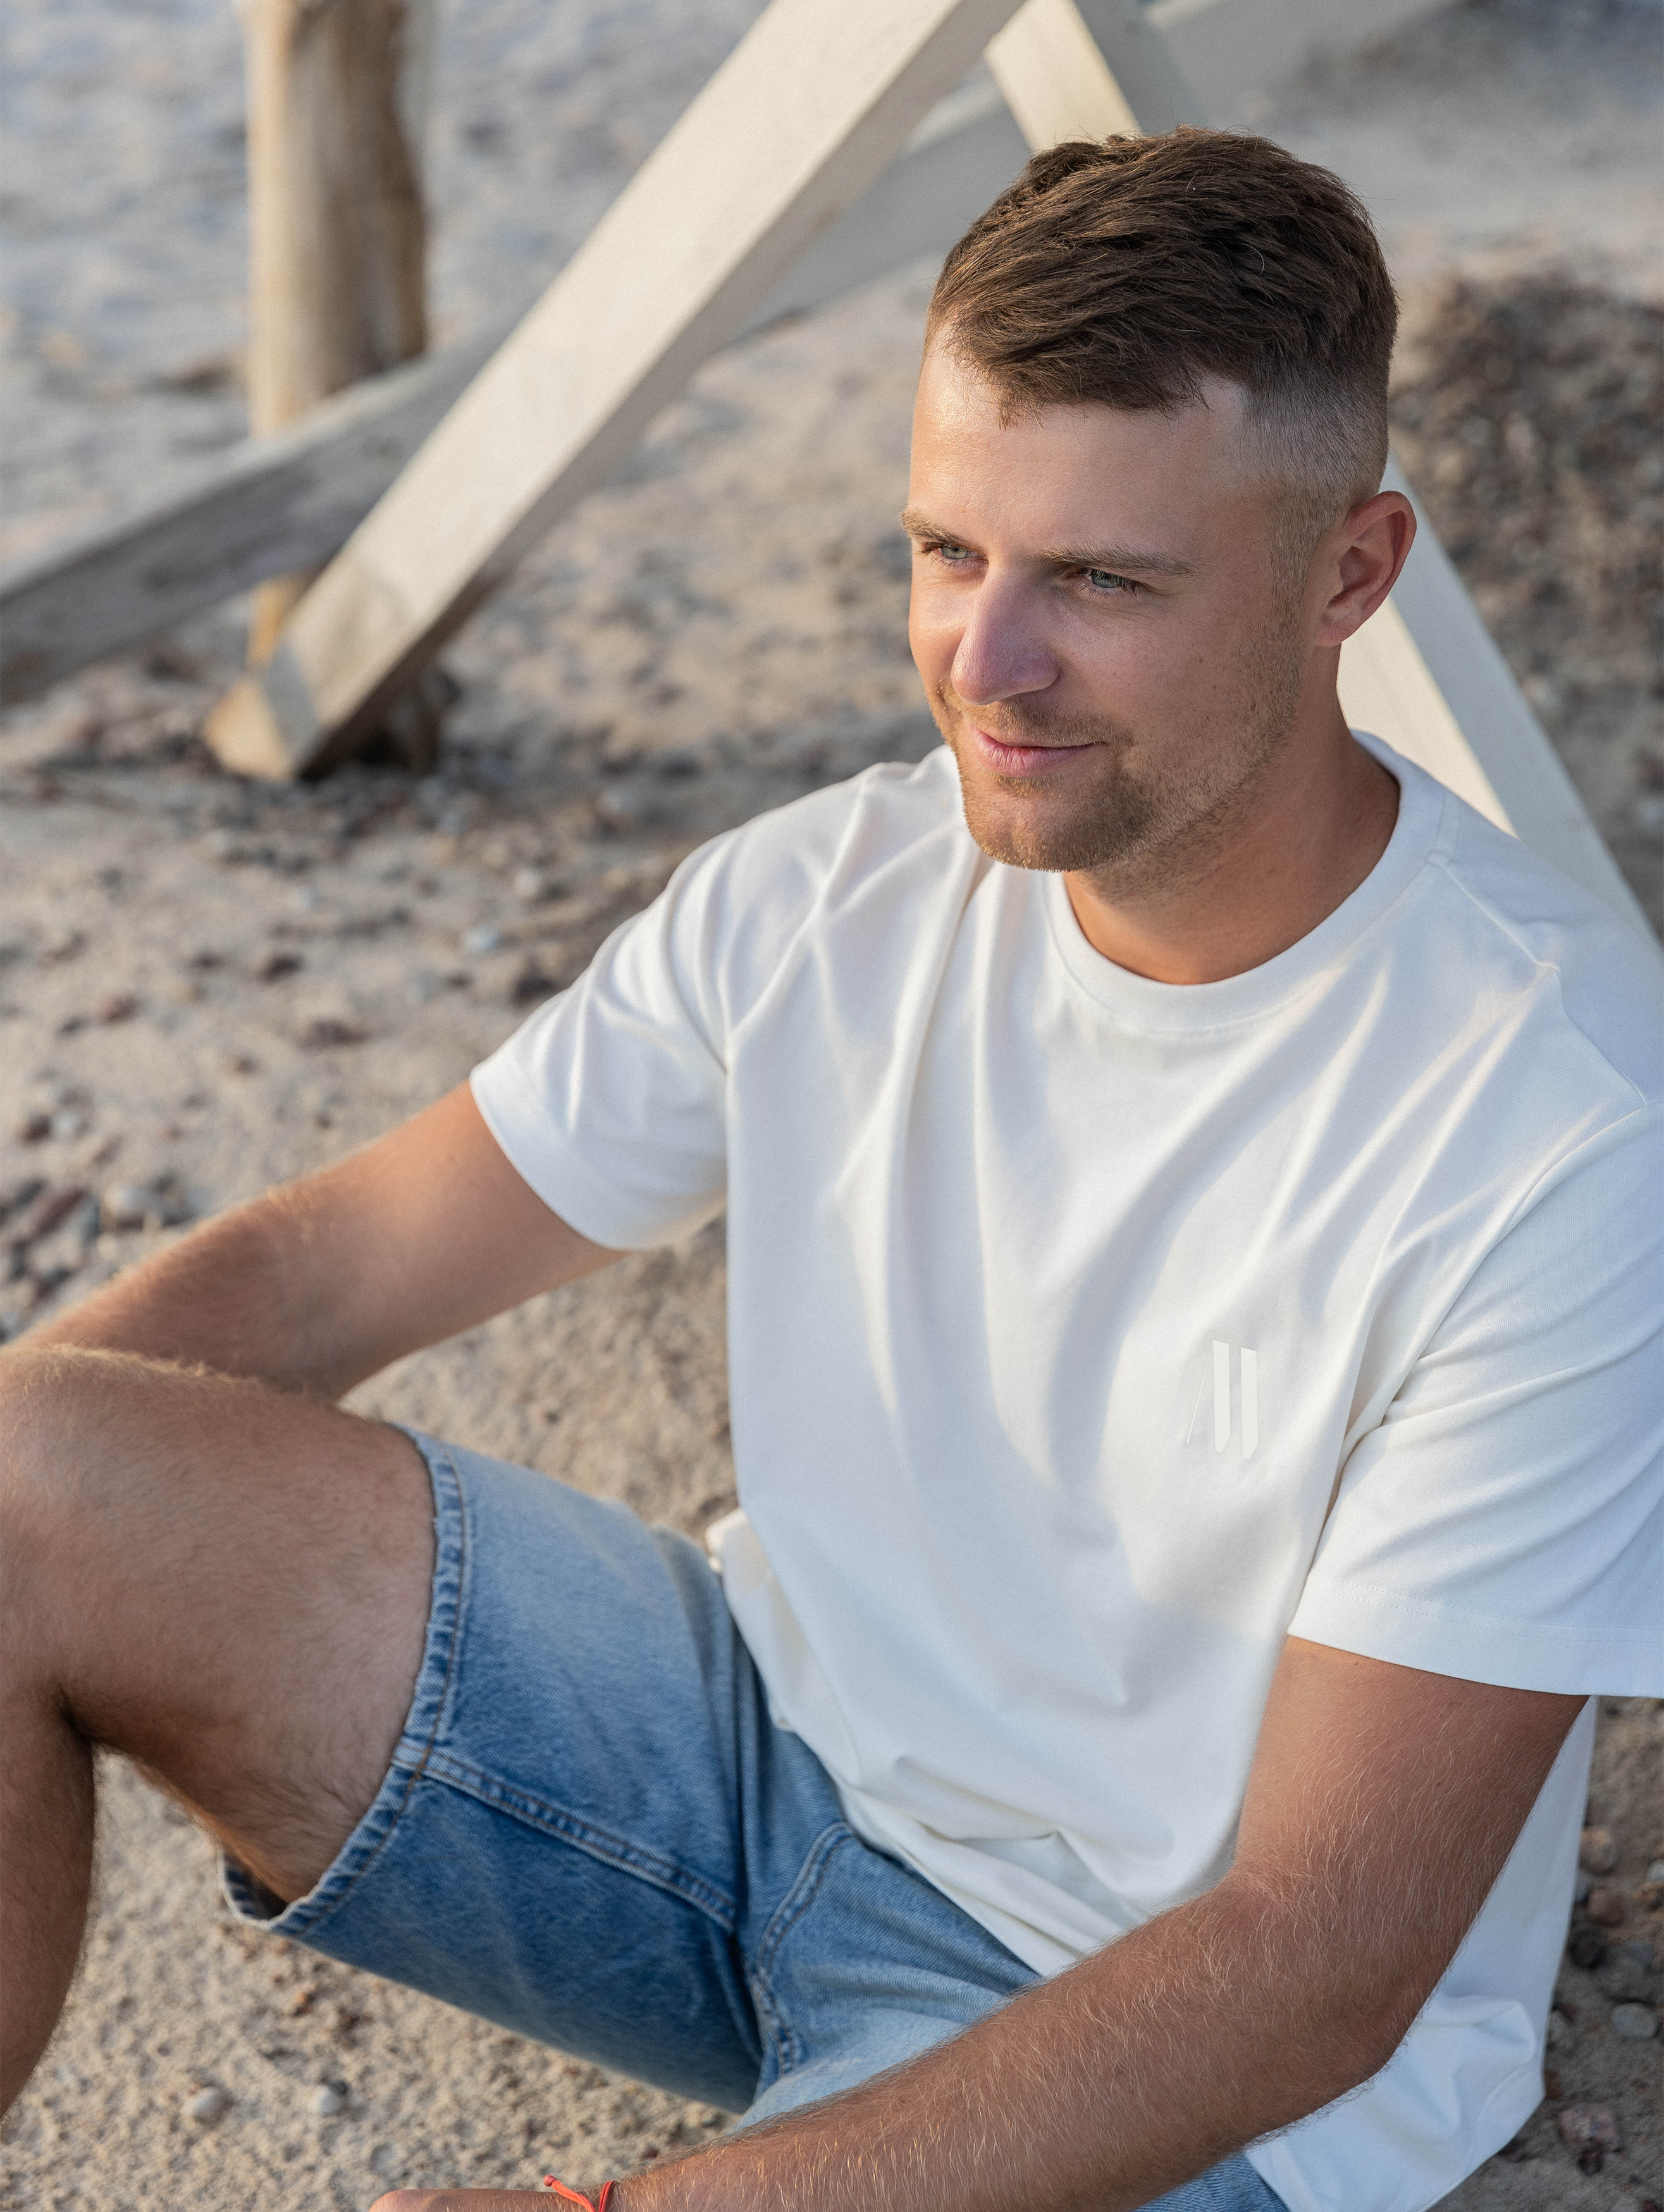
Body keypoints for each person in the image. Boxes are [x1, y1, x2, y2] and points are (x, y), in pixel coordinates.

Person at [3, 126, 1663, 2212]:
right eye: (948, 552)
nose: (984, 665)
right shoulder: (825, 897)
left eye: (1101, 581)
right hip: (738, 1765)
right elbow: (322, 1275)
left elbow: (1309, 1970)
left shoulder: (1562, 1127)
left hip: (1159, 2034)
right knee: (26, 1470)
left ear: (1348, 572)